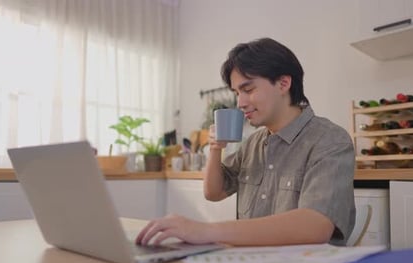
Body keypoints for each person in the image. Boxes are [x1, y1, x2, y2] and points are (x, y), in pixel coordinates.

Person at [136, 38, 355, 247]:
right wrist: (215, 149)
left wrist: (206, 231)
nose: (240, 102)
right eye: (236, 92)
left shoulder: (330, 140)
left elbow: (316, 226)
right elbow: (214, 192)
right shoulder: (254, 143)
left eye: (248, 90)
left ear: (283, 83)